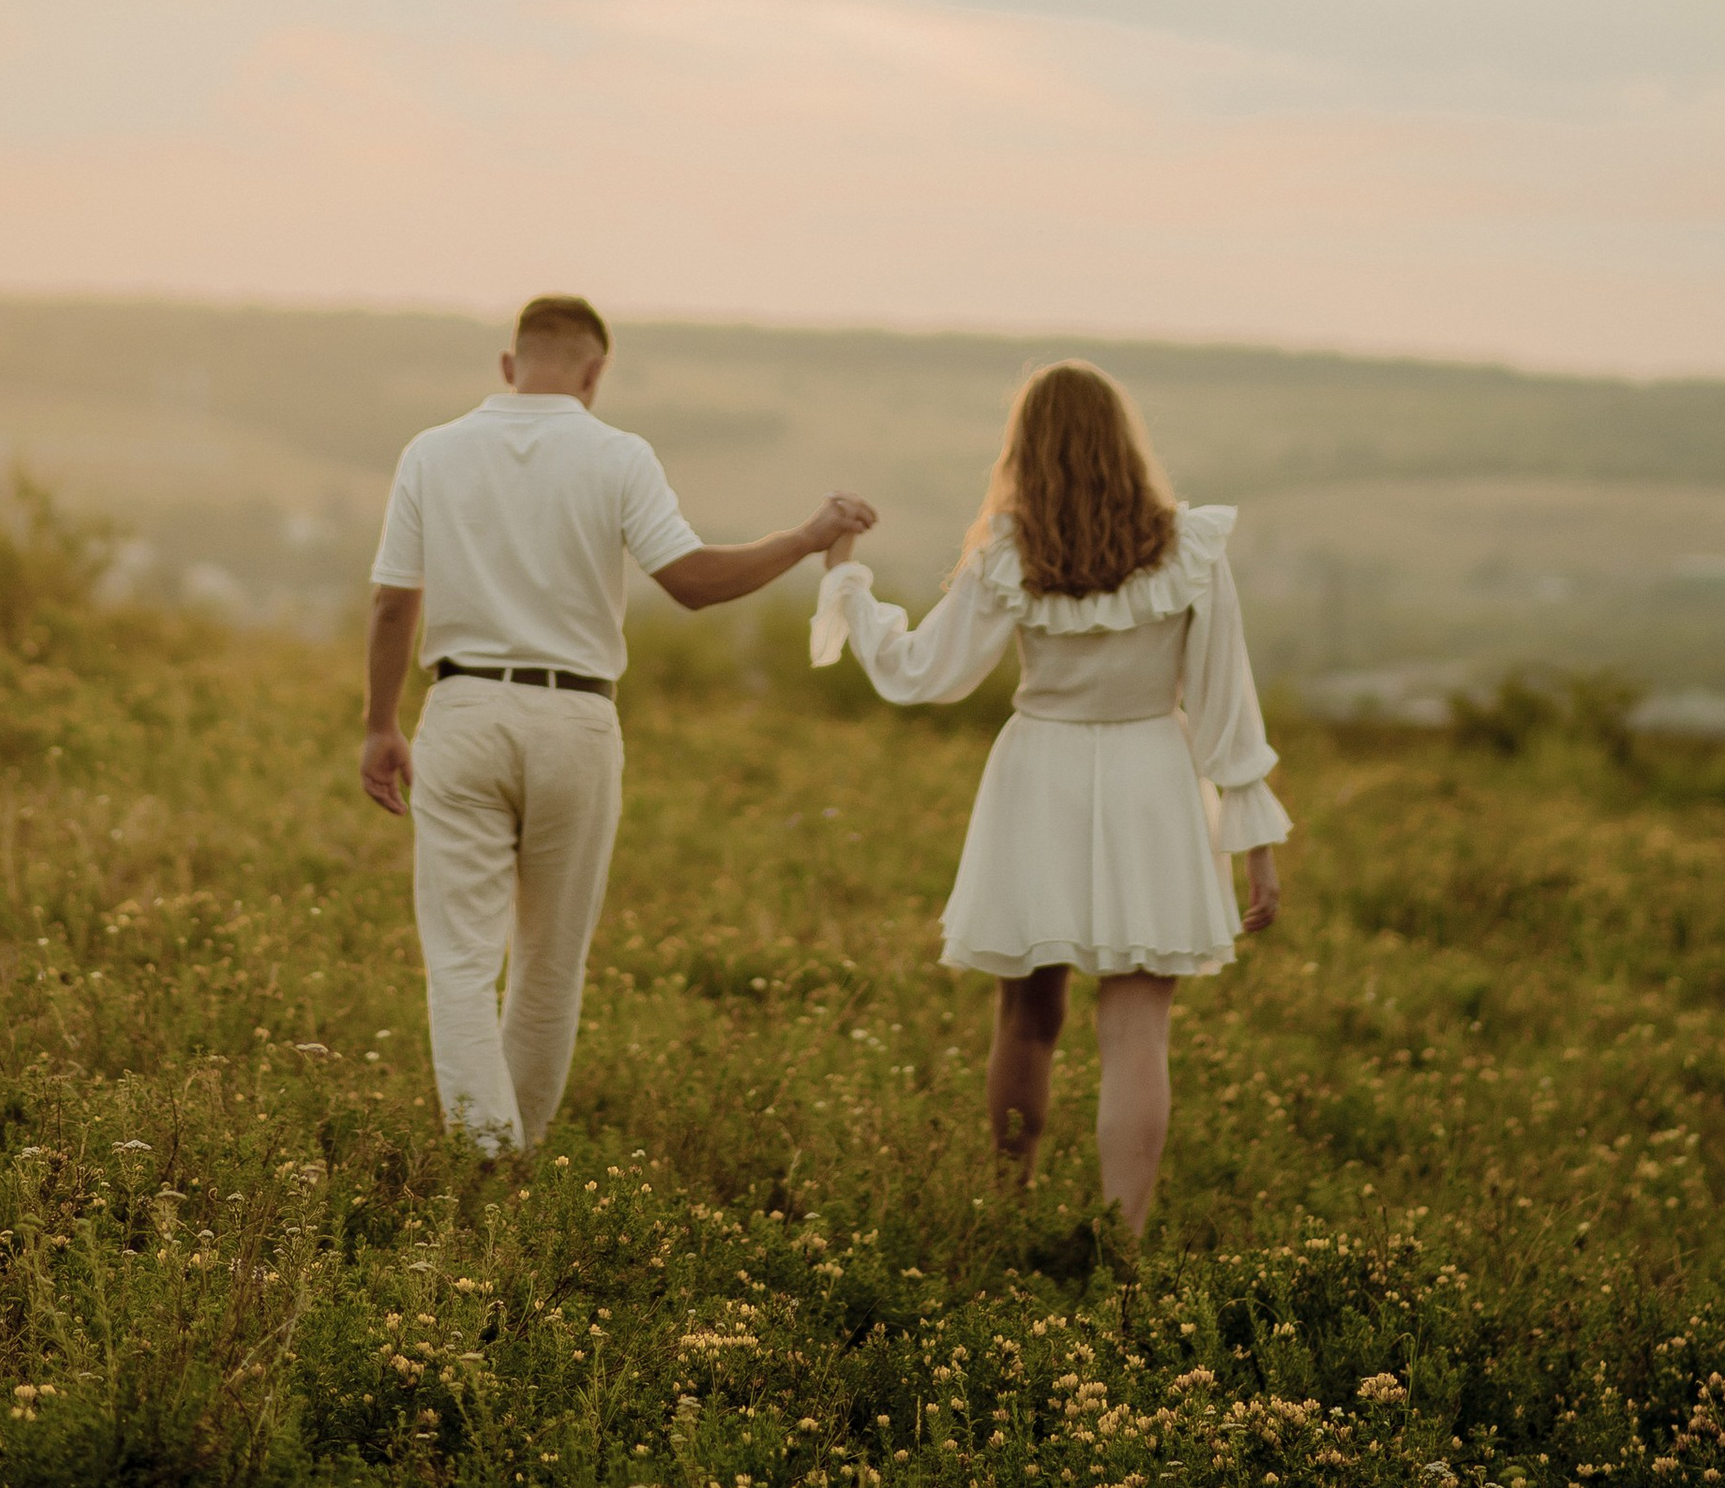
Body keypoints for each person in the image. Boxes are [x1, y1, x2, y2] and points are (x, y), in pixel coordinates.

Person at [362, 293, 876, 1152]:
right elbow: (694, 580)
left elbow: (390, 603)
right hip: (577, 719)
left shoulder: (432, 452)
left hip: (462, 709)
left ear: (507, 363)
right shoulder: (619, 455)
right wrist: (806, 535)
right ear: (595, 373)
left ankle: (487, 1155)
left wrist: (381, 723)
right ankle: (510, 1154)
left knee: (459, 962)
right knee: (551, 961)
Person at [810, 360, 1287, 1241]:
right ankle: (1125, 1243)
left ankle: (1008, 1207)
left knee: (1028, 1014)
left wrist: (847, 582)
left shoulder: (1009, 551)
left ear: (1024, 447)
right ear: (1124, 440)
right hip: (1154, 777)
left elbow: (925, 672)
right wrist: (1254, 843)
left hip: (1039, 779)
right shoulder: (1192, 547)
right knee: (1137, 1027)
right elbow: (1228, 705)